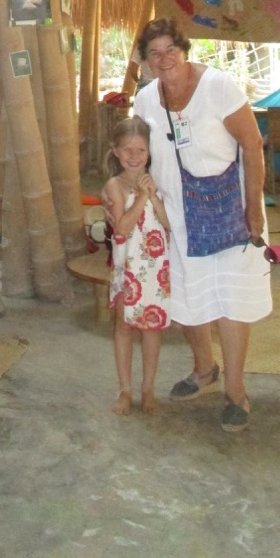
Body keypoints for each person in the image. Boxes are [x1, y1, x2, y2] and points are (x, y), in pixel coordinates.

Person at [132, 17, 271, 433]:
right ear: (145, 60)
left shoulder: (218, 87)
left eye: (170, 50)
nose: (164, 59)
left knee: (230, 300)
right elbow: (140, 153)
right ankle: (204, 370)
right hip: (176, 212)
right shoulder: (146, 100)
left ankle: (236, 392)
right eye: (154, 53)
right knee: (188, 297)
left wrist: (254, 209)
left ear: (184, 49)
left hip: (230, 208)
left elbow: (252, 145)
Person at [102, 116, 171, 416]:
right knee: (124, 326)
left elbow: (169, 225)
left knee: (151, 329)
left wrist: (153, 196)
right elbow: (121, 229)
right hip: (127, 268)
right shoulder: (115, 186)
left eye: (140, 150)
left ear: (149, 152)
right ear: (116, 152)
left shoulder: (157, 182)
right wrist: (142, 198)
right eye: (127, 150)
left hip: (155, 269)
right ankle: (125, 389)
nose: (134, 156)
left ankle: (148, 388)